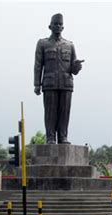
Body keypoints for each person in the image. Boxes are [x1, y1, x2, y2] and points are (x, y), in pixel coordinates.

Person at [34, 13, 83, 144]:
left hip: (66, 83)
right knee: (50, 112)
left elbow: (73, 68)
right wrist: (36, 84)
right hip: (49, 83)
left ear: (63, 27)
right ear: (50, 26)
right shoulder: (43, 43)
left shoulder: (70, 45)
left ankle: (63, 137)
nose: (58, 26)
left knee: (64, 112)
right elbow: (38, 65)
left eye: (60, 24)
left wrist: (77, 67)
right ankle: (50, 137)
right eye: (55, 24)